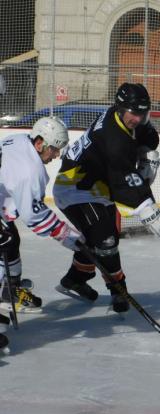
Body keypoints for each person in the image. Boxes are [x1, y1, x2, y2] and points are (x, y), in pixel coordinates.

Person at [53, 82, 160, 315]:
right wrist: (149, 211)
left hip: (99, 185)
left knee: (96, 239)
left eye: (142, 112)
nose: (138, 118)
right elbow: (122, 182)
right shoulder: (113, 138)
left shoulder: (127, 119)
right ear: (120, 109)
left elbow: (148, 135)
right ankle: (119, 290)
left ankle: (73, 280)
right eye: (134, 113)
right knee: (106, 240)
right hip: (76, 188)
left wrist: (147, 153)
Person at [0, 116, 83, 352]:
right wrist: (68, 237)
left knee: (9, 242)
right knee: (5, 246)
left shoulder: (18, 139)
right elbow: (33, 215)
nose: (56, 155)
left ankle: (9, 290)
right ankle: (7, 292)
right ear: (39, 144)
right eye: (54, 149)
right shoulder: (30, 171)